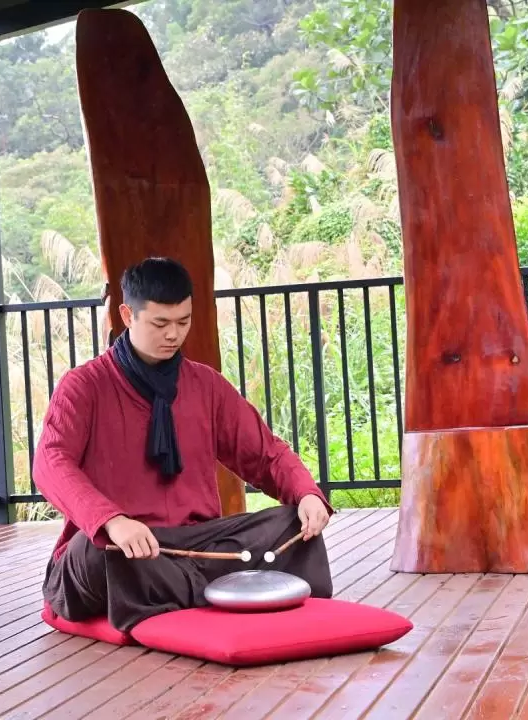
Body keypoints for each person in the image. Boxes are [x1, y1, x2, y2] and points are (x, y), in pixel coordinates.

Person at [34, 257, 334, 632]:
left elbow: (264, 452)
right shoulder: (84, 386)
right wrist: (111, 520)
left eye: (183, 321)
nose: (174, 335)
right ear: (127, 315)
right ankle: (223, 587)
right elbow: (50, 462)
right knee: (93, 551)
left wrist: (306, 493)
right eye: (160, 323)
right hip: (126, 546)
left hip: (196, 544)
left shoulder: (205, 385)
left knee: (292, 524)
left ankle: (181, 589)